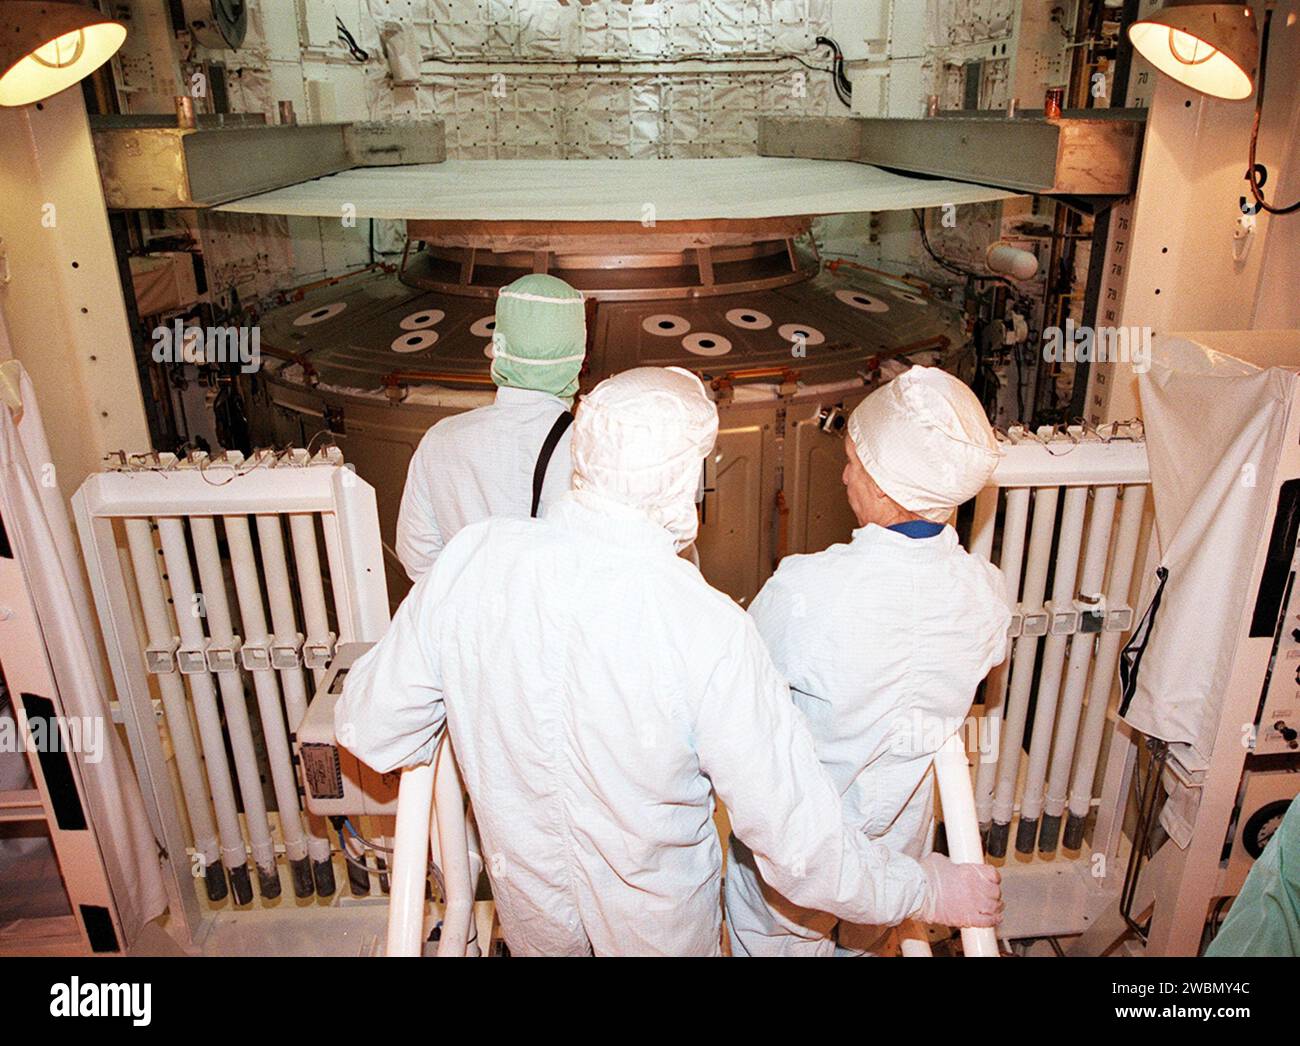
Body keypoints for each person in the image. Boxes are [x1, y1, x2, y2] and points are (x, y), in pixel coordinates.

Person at [336, 366, 1001, 956]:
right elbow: (801, 852)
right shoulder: (707, 629)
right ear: (686, 481)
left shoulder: (470, 563)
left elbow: (371, 728)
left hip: (533, 920)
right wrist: (921, 887)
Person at [726, 365, 1011, 956]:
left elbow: (741, 696)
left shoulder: (806, 590)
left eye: (853, 460)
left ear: (883, 485)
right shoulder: (985, 592)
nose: (844, 473)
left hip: (801, 855)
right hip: (896, 847)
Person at [395, 273, 586, 580]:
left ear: (499, 347)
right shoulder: (588, 450)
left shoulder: (440, 438)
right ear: (576, 356)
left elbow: (417, 556)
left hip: (462, 620)